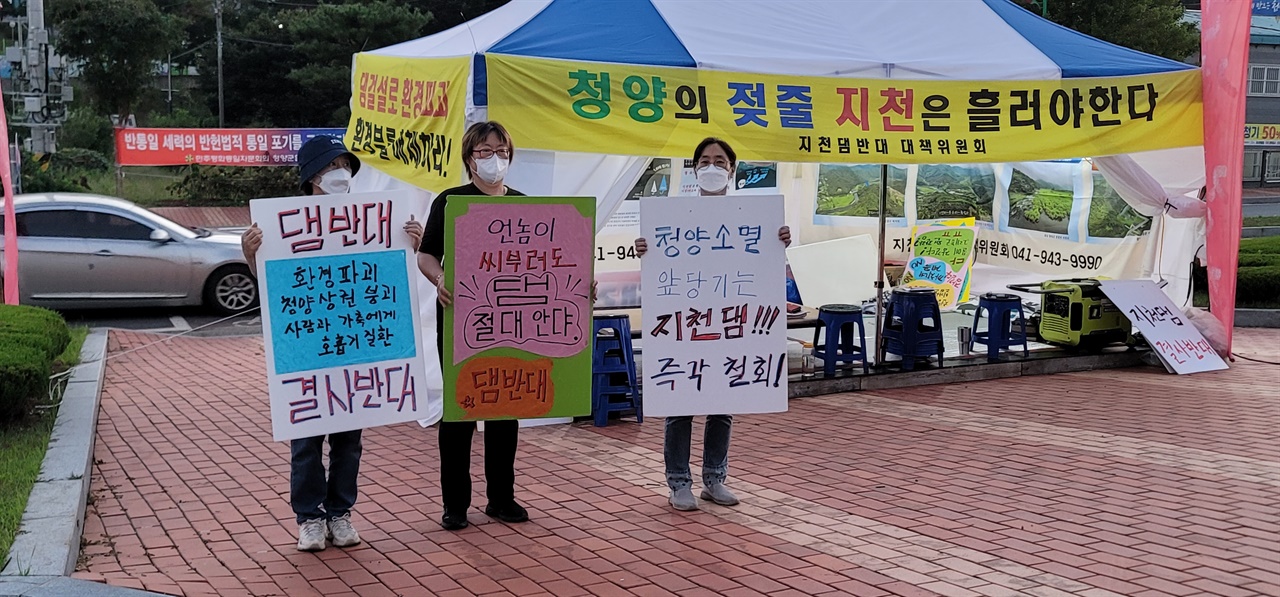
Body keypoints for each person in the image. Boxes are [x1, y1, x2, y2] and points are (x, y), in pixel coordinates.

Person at [241, 135, 423, 551]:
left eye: (344, 165)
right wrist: (251, 255)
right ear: (310, 178)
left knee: (348, 441)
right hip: (305, 350)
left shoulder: (369, 220)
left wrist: (410, 241)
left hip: (355, 349)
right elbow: (273, 288)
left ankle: (340, 513)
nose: (339, 174)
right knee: (305, 441)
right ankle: (309, 517)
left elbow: (388, 274)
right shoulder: (282, 223)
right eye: (329, 168)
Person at [634, 137, 791, 511]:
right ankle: (678, 483)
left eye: (719, 160)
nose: (712, 166)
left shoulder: (754, 217)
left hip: (728, 327)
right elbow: (657, 257)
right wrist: (645, 248)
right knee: (680, 403)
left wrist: (781, 239)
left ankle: (714, 479)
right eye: (704, 160)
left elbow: (765, 263)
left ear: (732, 168)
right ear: (694, 168)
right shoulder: (674, 216)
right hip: (687, 327)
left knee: (723, 403)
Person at [417, 121, 529, 531]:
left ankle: (501, 498)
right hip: (462, 320)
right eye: (484, 151)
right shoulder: (451, 201)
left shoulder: (523, 204)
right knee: (460, 409)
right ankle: (455, 504)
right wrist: (441, 280)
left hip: (512, 321)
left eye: (501, 150)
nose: (493, 158)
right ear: (469, 158)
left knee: (506, 405)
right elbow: (427, 256)